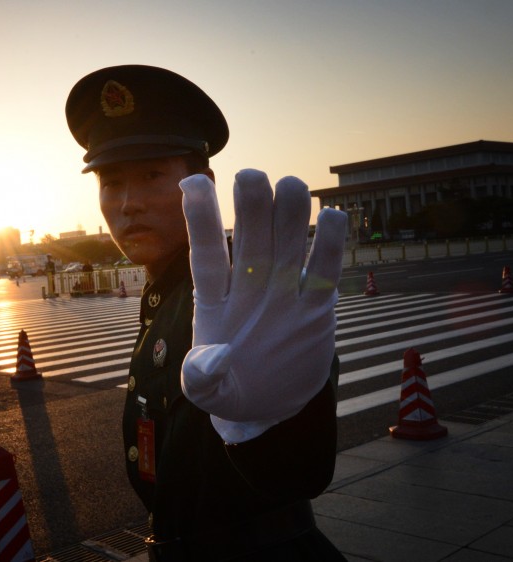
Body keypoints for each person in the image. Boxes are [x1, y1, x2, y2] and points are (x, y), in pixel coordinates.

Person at [66, 65, 347, 561]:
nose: (128, 203)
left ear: (203, 182)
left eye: (152, 175)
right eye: (111, 182)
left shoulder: (245, 291)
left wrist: (266, 425)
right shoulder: (162, 291)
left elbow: (302, 474)